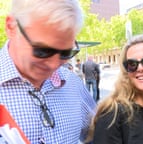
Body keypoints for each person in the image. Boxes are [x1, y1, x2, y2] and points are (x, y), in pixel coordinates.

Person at [0, 0, 96, 143]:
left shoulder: (73, 83)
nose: (54, 64)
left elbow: (98, 135)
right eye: (43, 51)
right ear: (11, 27)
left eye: (66, 53)